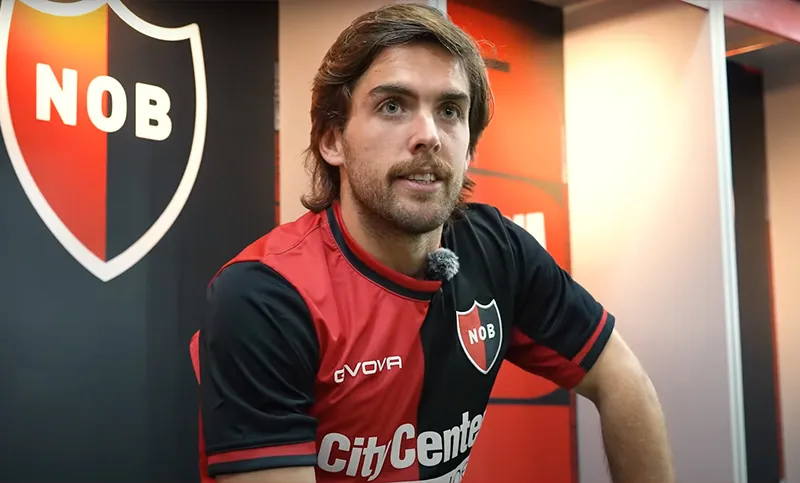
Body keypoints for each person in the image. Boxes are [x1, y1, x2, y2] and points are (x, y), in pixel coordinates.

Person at [190, 4, 674, 483]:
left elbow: (623, 380)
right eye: (393, 106)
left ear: (471, 147)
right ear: (332, 140)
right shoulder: (264, 296)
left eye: (449, 111)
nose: (428, 136)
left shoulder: (499, 249)